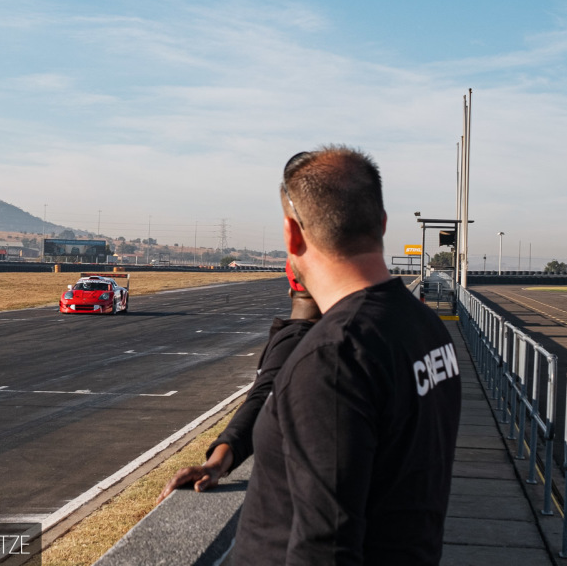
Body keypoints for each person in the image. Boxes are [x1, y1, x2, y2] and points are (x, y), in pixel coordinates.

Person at [229, 146, 461, 565]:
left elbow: (327, 548)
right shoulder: (427, 327)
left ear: (292, 235)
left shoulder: (334, 357)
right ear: (383, 224)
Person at [157, 262, 321, 500]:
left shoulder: (296, 340)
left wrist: (216, 464)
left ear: (291, 289)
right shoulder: (325, 334)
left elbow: (262, 399)